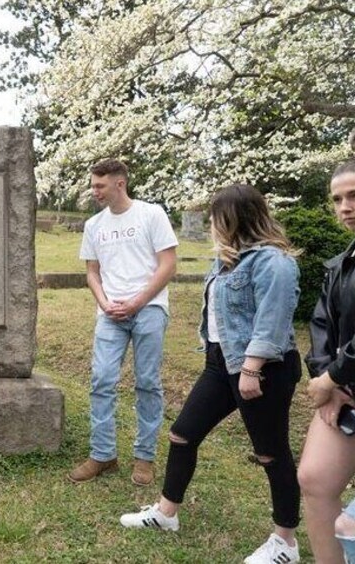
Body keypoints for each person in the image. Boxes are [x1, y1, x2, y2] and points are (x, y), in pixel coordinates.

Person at [119, 184, 303, 563]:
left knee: (271, 453)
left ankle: (286, 542)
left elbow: (272, 319)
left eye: (216, 219)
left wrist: (251, 368)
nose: (211, 226)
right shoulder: (227, 261)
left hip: (262, 369)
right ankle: (167, 514)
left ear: (236, 218)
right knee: (182, 435)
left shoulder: (274, 262)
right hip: (221, 365)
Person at [298, 127, 355, 563]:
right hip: (348, 393)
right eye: (336, 199)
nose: (345, 207)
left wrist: (335, 375)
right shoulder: (341, 262)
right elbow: (321, 325)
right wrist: (325, 379)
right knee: (314, 479)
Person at [69, 158, 178, 486]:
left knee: (147, 383)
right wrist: (104, 303)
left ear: (120, 183)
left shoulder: (151, 214)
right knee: (101, 380)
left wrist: (136, 302)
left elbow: (168, 265)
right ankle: (103, 454)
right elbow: (92, 272)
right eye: (93, 184)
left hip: (148, 310)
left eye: (100, 185)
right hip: (110, 314)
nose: (94, 191)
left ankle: (144, 457)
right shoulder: (94, 225)